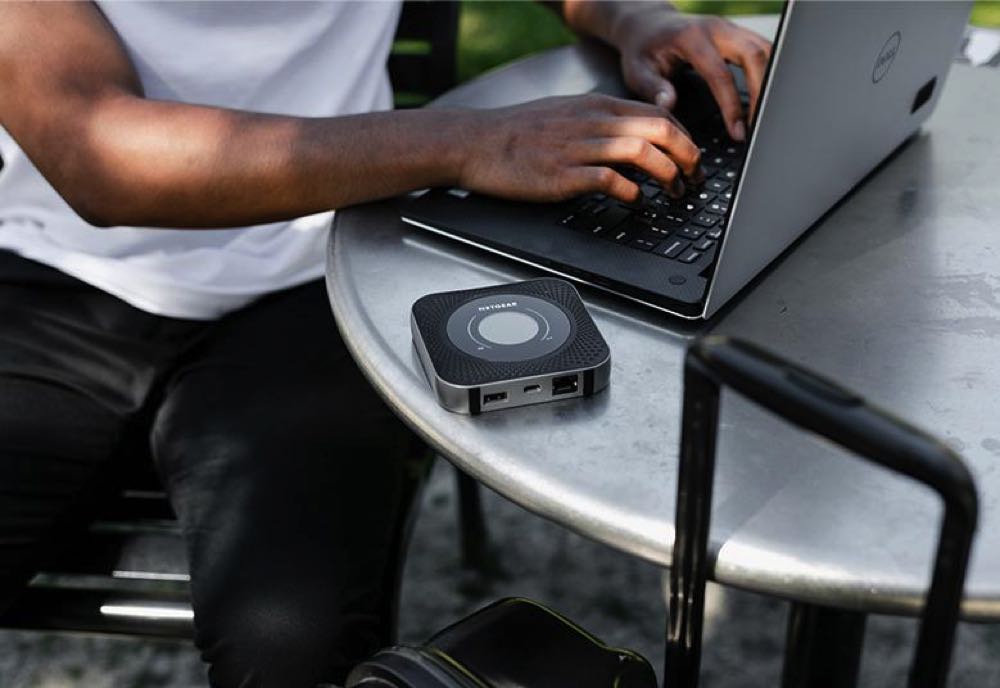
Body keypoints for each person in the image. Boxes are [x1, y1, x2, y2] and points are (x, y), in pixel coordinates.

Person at [0, 2, 770, 686]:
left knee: (292, 645)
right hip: (46, 283)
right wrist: (470, 142)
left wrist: (635, 17)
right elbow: (96, 153)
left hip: (317, 272)